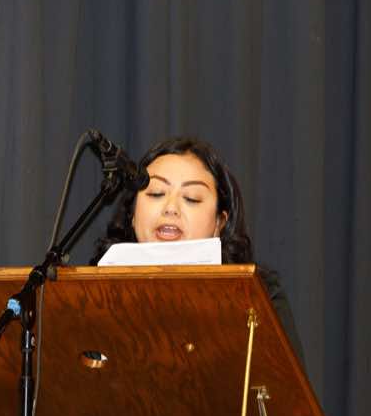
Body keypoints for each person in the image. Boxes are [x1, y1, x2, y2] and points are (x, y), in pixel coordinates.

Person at [91, 136, 304, 359]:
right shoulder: (90, 292)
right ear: (132, 215)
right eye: (156, 193)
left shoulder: (259, 295)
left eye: (191, 198)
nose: (170, 208)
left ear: (219, 223)